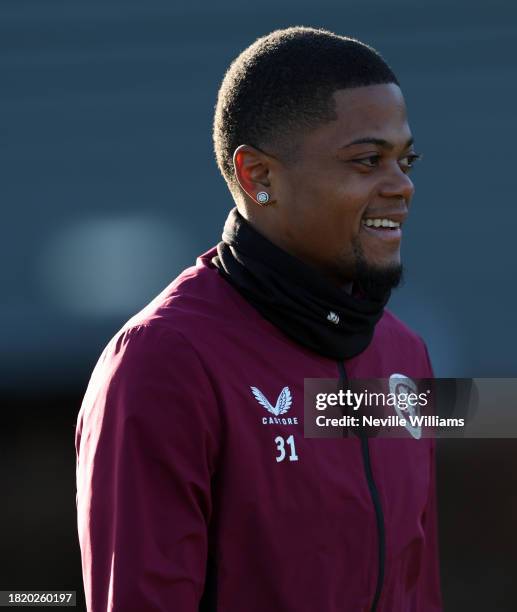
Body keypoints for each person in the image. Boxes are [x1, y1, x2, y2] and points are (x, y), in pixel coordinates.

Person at [75, 25, 443, 612]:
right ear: (259, 177)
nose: (402, 187)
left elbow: (417, 590)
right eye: (368, 160)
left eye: (407, 160)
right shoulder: (162, 360)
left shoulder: (406, 356)